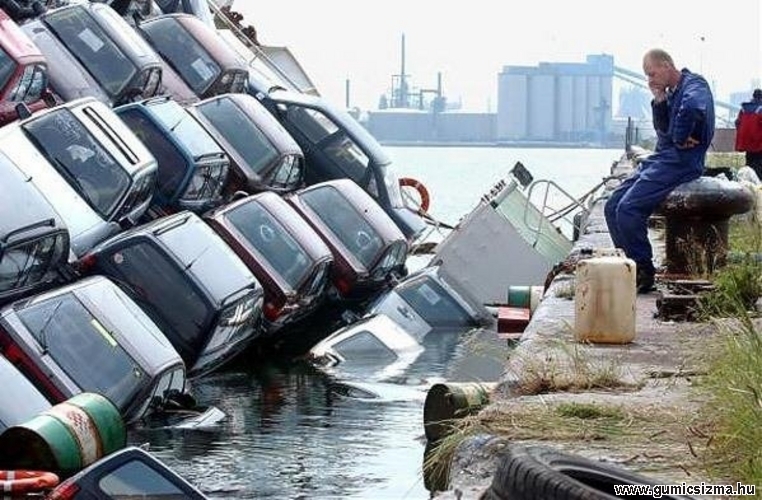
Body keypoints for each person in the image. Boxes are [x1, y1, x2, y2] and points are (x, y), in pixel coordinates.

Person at [604, 48, 715, 293]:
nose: (650, 80)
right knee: (612, 206)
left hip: (682, 161)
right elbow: (663, 132)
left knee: (628, 209)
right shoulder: (670, 92)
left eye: (652, 74)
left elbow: (693, 107)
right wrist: (660, 101)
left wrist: (681, 137)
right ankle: (629, 265)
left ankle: (644, 270)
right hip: (663, 157)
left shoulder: (694, 85)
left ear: (667, 65)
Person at [734, 88, 762, 178]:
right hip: (758, 142)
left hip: (746, 142)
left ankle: (748, 180)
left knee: (749, 162)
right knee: (758, 164)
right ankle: (758, 182)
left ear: (753, 97)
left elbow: (737, 122)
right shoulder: (760, 109)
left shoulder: (744, 109)